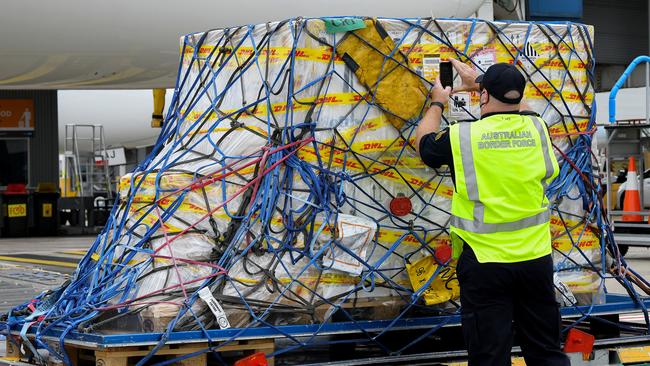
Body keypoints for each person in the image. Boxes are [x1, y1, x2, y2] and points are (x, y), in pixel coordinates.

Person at [415, 60, 570, 366]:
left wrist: (437, 101)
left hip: (486, 264)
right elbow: (523, 107)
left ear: (483, 97)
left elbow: (423, 144)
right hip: (535, 261)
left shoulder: (462, 137)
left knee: (489, 357)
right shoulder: (537, 128)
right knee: (546, 352)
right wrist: (482, 83)